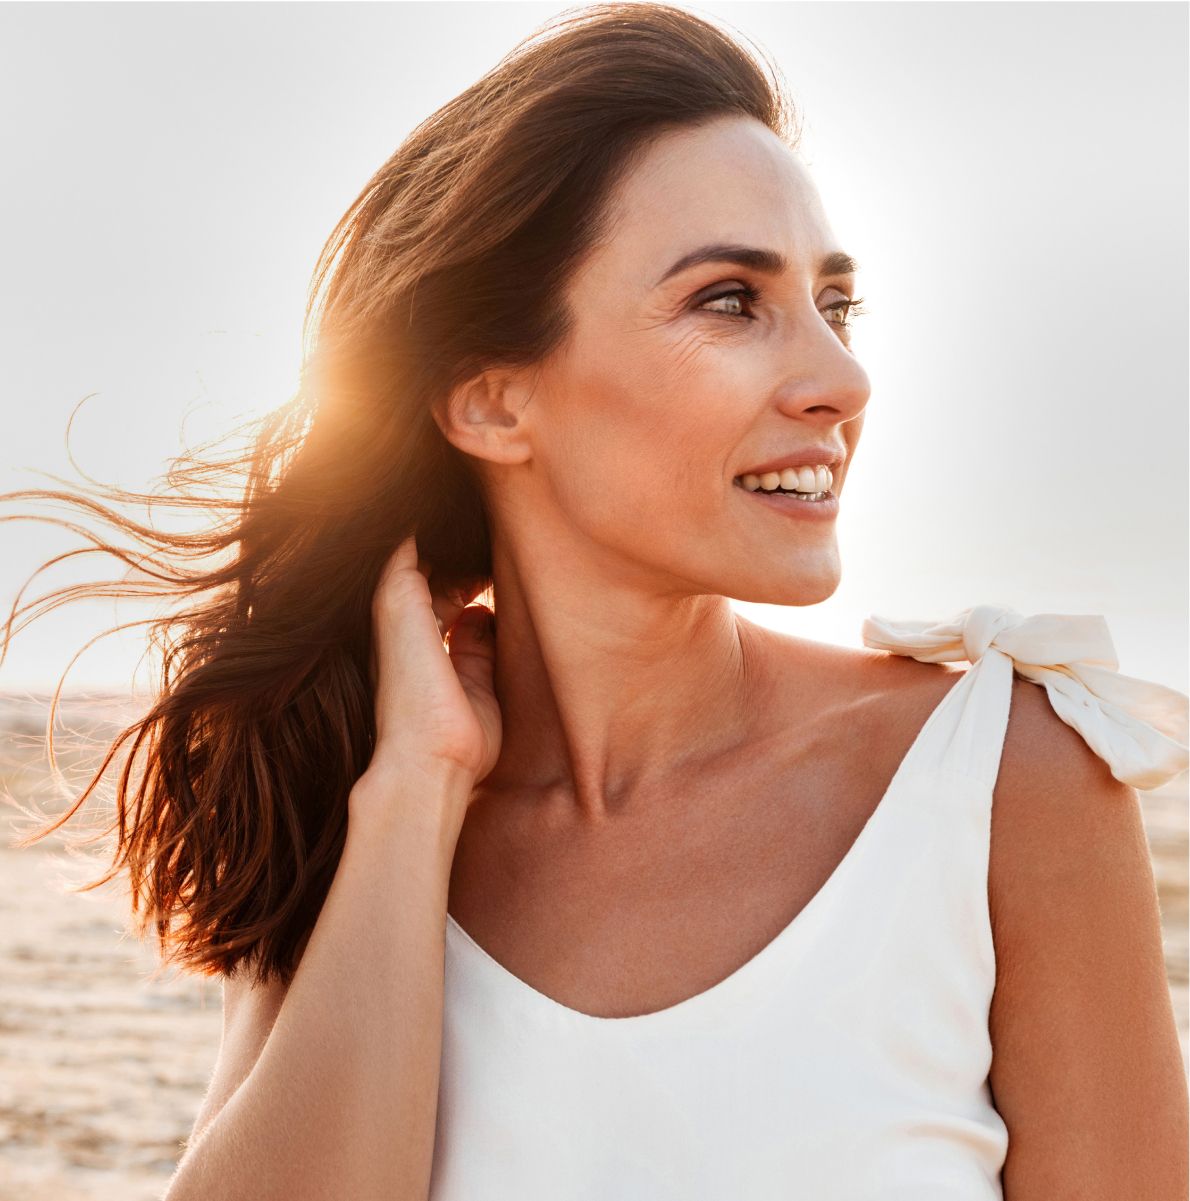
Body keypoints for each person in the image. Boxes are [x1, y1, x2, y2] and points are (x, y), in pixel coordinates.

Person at [5, 4, 1186, 1199]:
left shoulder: (1002, 779)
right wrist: (414, 795)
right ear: (492, 403)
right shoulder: (357, 818)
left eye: (835, 304)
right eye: (729, 299)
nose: (840, 378)